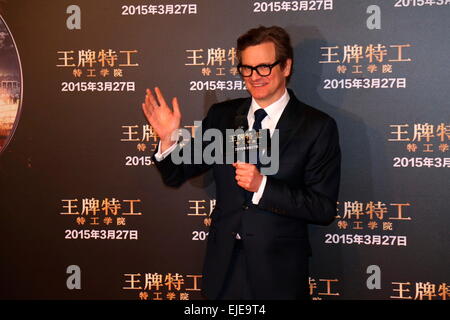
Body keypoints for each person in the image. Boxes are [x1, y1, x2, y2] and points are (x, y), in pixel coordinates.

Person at [142, 25, 341, 300]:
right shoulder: (222, 117)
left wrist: (262, 186)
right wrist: (168, 139)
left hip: (278, 272)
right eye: (246, 68)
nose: (254, 77)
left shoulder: (316, 126)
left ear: (286, 67)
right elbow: (177, 172)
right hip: (223, 269)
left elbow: (322, 208)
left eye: (263, 67)